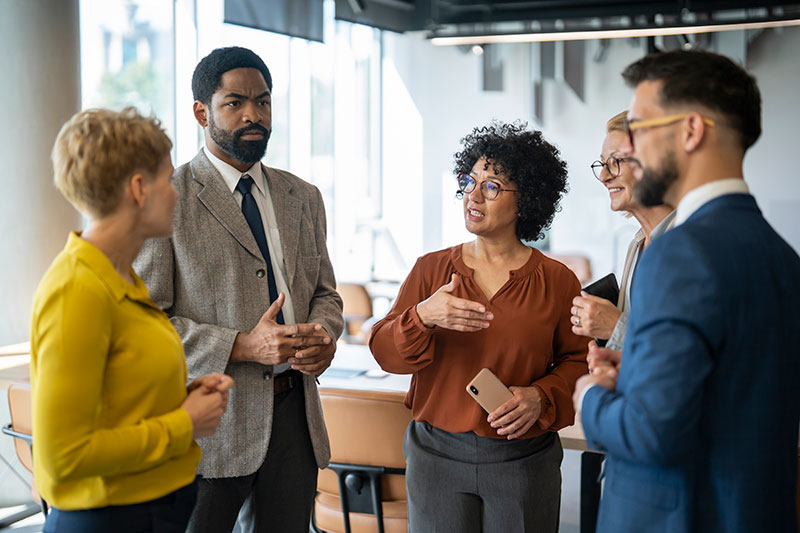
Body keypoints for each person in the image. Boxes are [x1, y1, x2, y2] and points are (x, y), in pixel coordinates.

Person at [574, 50, 800, 532]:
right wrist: (635, 371)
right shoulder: (783, 257)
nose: (631, 153)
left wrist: (589, 398)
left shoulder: (679, 255)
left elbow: (651, 432)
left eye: (640, 130)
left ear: (691, 131)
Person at [134, 46, 343, 532]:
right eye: (235, 103)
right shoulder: (170, 199)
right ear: (201, 112)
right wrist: (243, 346)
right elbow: (145, 323)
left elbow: (326, 294)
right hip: (212, 424)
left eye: (263, 102)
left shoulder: (303, 197)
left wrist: (323, 334)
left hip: (296, 419)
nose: (254, 115)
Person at [370, 121, 589, 532]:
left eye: (491, 187)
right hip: (436, 455)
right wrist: (423, 317)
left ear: (525, 202)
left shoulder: (558, 281)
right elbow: (384, 352)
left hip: (523, 459)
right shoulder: (431, 269)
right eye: (469, 181)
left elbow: (580, 364)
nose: (472, 195)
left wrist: (542, 397)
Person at [31, 108, 233, 532]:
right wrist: (185, 422)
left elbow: (118, 397)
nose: (175, 193)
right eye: (166, 179)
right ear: (138, 189)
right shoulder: (77, 290)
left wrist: (180, 396)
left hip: (154, 512)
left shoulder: (123, 277)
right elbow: (63, 455)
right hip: (112, 520)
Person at [570, 111, 674, 350]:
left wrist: (616, 327)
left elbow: (687, 351)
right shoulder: (637, 244)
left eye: (615, 161)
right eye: (603, 164)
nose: (604, 177)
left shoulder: (687, 244)